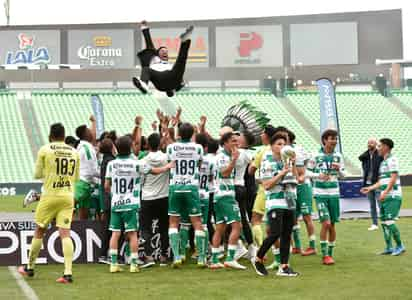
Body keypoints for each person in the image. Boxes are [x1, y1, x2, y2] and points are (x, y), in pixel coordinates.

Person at [18, 123, 80, 284]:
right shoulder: (74, 151)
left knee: (40, 230)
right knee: (65, 233)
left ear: (50, 135)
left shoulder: (45, 150)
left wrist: (50, 173)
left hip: (50, 195)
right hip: (68, 196)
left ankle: (29, 267)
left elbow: (37, 174)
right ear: (64, 135)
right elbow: (76, 177)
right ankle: (67, 273)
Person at [105, 136, 172, 273]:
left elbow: (106, 185)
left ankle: (113, 264)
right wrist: (168, 166)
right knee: (132, 234)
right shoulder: (136, 163)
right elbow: (154, 171)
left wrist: (115, 193)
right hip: (131, 203)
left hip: (116, 203)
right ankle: (134, 264)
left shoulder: (111, 164)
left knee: (115, 233)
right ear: (130, 148)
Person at [252, 133, 299, 277]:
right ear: (272, 146)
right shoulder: (267, 161)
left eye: (284, 144)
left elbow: (297, 179)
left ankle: (284, 266)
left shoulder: (287, 161)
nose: (282, 147)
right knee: (275, 233)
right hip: (275, 201)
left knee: (286, 234)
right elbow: (266, 185)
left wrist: (293, 164)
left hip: (289, 200)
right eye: (278, 144)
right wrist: (281, 173)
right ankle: (258, 258)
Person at [166, 123, 207, 267]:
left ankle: (177, 256)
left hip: (175, 186)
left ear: (179, 133)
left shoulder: (171, 147)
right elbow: (199, 164)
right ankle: (201, 258)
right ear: (192, 134)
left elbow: (169, 164)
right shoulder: (198, 148)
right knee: (197, 222)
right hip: (191, 186)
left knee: (174, 222)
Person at [361, 138, 406, 256]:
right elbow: (382, 181)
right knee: (384, 222)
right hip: (385, 195)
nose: (378, 148)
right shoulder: (383, 162)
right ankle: (389, 247)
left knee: (390, 221)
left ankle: (400, 245)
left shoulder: (392, 159)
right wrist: (370, 188)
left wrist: (385, 193)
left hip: (392, 196)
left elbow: (393, 178)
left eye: (380, 146)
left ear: (386, 147)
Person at [307, 129, 345, 265]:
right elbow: (307, 172)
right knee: (326, 223)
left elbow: (343, 175)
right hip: (320, 193)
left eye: (336, 139)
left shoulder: (339, 156)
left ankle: (330, 253)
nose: (334, 141)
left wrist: (339, 169)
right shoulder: (315, 155)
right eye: (332, 138)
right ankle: (325, 255)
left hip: (334, 193)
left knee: (332, 225)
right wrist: (318, 175)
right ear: (324, 140)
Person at [210, 132, 246, 270]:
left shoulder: (226, 156)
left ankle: (214, 259)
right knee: (237, 226)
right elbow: (224, 173)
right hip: (225, 196)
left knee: (220, 228)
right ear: (224, 143)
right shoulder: (222, 157)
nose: (236, 144)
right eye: (233, 141)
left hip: (221, 196)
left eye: (237, 141)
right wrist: (234, 160)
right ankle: (230, 258)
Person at [133, 20, 193, 97]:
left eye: (166, 51)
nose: (165, 52)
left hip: (172, 79)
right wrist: (144, 27)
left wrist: (180, 84)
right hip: (159, 79)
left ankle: (185, 40)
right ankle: (144, 85)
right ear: (157, 54)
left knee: (181, 61)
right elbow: (149, 42)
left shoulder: (170, 65)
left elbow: (178, 74)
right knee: (146, 69)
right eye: (162, 51)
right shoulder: (155, 59)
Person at [140, 133, 170, 267]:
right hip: (163, 196)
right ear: (160, 144)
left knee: (145, 228)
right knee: (164, 227)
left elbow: (141, 181)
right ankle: (164, 256)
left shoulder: (143, 160)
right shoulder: (166, 158)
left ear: (147, 144)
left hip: (147, 197)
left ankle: (149, 256)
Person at [289, 130, 316, 256]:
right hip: (290, 188)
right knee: (292, 217)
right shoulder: (281, 151)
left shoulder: (298, 150)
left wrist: (298, 176)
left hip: (302, 187)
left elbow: (301, 171)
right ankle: (297, 246)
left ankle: (312, 246)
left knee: (306, 216)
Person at [74, 116, 100, 220]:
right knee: (69, 204)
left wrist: (93, 122)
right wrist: (103, 175)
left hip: (85, 182)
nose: (92, 132)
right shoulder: (87, 149)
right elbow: (93, 170)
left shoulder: (85, 146)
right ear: (86, 134)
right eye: (89, 131)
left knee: (83, 214)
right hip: (83, 183)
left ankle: (80, 233)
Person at [97, 138, 116, 264]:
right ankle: (105, 254)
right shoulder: (111, 162)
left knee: (109, 228)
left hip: (106, 198)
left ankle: (105, 254)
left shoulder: (104, 161)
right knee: (111, 228)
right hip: (111, 198)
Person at [359, 138, 383, 231]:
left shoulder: (379, 155)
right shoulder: (366, 156)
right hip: (368, 183)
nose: (370, 144)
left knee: (380, 203)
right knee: (372, 205)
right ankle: (374, 224)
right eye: (368, 143)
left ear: (376, 144)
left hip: (377, 182)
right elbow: (360, 157)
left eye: (372, 143)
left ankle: (385, 220)